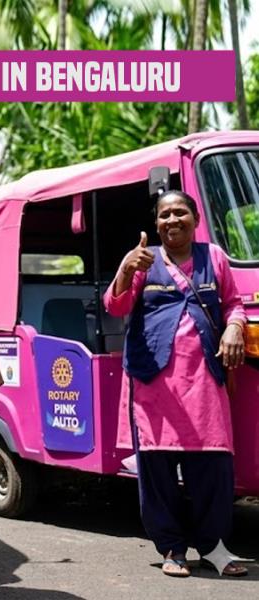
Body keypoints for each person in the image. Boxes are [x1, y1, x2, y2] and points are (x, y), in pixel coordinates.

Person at [104, 190, 248, 578]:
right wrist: (125, 270)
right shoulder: (142, 260)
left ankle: (213, 547)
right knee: (159, 469)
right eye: (164, 214)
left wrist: (235, 327)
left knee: (213, 466)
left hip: (205, 383)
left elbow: (233, 303)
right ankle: (172, 548)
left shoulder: (214, 257)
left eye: (180, 212)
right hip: (154, 386)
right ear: (156, 224)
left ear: (195, 219)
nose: (172, 220)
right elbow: (115, 306)